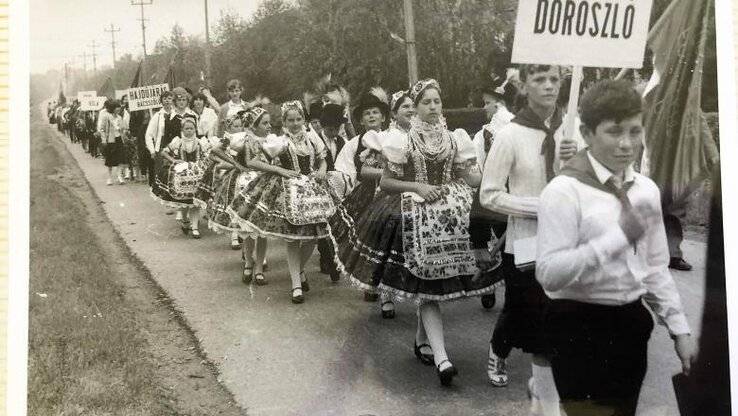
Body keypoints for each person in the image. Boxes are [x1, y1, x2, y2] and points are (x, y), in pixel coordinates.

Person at [536, 79, 696, 416]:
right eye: (614, 131)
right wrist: (616, 239)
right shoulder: (564, 191)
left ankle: (545, 395)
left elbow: (654, 267)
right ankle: (547, 395)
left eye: (635, 132)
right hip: (576, 324)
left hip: (629, 324)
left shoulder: (645, 191)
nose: (627, 144)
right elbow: (549, 274)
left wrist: (679, 327)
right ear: (588, 132)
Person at [333, 79, 503, 386]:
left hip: (452, 215)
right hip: (414, 215)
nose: (433, 107)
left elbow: (473, 178)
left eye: (437, 101)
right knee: (425, 282)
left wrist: (498, 172)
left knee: (435, 286)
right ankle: (442, 358)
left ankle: (423, 342)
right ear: (416, 107)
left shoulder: (456, 139)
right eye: (426, 102)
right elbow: (385, 183)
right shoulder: (402, 142)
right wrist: (418, 187)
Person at [479, 65, 583, 415]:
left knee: (564, 330)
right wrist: (540, 206)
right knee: (531, 324)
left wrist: (577, 168)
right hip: (526, 244)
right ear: (523, 85)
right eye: (540, 79)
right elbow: (489, 195)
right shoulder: (510, 134)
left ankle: (544, 392)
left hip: (569, 243)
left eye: (555, 79)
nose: (550, 86)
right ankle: (499, 352)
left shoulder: (574, 129)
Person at [228, 101, 334, 304]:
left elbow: (323, 158)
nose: (295, 124)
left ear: (304, 119)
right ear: (284, 122)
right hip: (289, 192)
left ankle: (299, 270)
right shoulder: (279, 141)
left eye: (298, 119)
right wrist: (280, 170)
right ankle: (296, 284)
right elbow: (254, 161)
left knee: (313, 236)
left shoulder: (312, 138)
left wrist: (321, 170)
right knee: (292, 238)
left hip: (312, 190)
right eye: (291, 120)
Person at [330, 89, 399, 318]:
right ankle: (372, 284)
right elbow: (352, 170)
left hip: (391, 194)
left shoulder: (394, 138)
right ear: (361, 120)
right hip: (368, 195)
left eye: (375, 113)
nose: (371, 116)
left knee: (388, 243)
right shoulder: (355, 143)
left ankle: (387, 293)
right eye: (367, 114)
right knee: (370, 242)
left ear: (383, 117)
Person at [471, 74, 518, 314]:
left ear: (499, 105)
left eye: (487, 103)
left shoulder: (512, 127)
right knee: (492, 240)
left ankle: (513, 295)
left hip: (513, 196)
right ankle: (489, 285)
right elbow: (481, 168)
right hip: (491, 194)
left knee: (512, 246)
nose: (484, 107)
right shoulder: (482, 135)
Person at [151, 117, 211, 238]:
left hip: (196, 174)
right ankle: (184, 220)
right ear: (182, 129)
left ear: (195, 129)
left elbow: (209, 153)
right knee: (184, 200)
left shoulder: (200, 141)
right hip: (182, 173)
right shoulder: (178, 141)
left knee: (195, 201)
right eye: (186, 128)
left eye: (192, 128)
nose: (189, 131)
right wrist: (174, 160)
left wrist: (204, 162)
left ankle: (195, 227)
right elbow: (163, 152)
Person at [315, 103, 347, 282]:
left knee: (334, 223)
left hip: (337, 186)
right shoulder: (315, 141)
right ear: (322, 126)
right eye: (330, 129)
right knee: (322, 222)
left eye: (337, 129)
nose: (334, 132)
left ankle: (332, 258)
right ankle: (326, 258)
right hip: (319, 185)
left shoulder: (341, 142)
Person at [145, 91, 174, 187]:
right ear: (161, 101)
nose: (167, 101)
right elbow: (149, 134)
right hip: (161, 145)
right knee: (161, 171)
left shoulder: (176, 113)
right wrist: (152, 150)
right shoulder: (157, 116)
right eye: (165, 99)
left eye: (169, 98)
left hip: (175, 144)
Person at [96, 99, 127, 186]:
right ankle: (109, 177)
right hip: (110, 140)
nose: (119, 109)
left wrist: (123, 130)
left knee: (120, 158)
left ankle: (119, 176)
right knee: (110, 160)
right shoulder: (107, 117)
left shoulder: (120, 118)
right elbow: (101, 129)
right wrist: (103, 139)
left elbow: (123, 128)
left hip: (119, 139)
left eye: (119, 108)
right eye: (117, 107)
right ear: (113, 108)